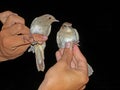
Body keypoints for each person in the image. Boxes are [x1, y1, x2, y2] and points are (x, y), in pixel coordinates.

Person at [0, 11, 89, 90]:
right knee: (39, 54)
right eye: (51, 18)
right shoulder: (37, 20)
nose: (52, 20)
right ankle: (40, 61)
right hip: (35, 42)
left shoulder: (49, 26)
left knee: (41, 53)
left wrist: (2, 54)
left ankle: (40, 61)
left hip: (40, 43)